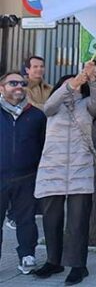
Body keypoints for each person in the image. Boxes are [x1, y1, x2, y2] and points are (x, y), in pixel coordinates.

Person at [34, 61, 96, 284]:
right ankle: (53, 261)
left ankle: (78, 266)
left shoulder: (86, 106)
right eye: (66, 83)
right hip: (52, 170)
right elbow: (49, 106)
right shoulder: (53, 105)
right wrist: (72, 83)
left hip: (80, 171)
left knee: (77, 221)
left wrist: (92, 78)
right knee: (51, 219)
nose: (72, 86)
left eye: (76, 84)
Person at [0, 71, 46, 275]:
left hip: (26, 177)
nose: (19, 86)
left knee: (26, 220)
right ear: (2, 88)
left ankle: (27, 255)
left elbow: (44, 145)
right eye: (12, 83)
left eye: (22, 83)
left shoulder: (36, 115)